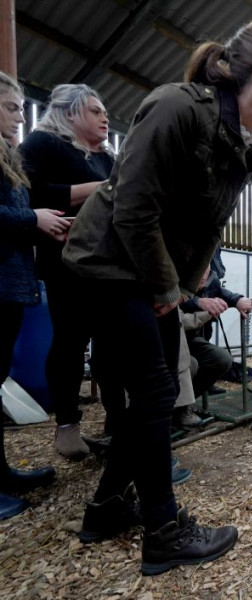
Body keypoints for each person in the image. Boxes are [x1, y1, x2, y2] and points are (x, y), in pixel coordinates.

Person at [62, 17, 252, 574]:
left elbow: (206, 226)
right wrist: (166, 288)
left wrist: (182, 285)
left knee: (153, 396)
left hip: (145, 273)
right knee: (154, 394)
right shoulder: (177, 107)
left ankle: (105, 509)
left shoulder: (245, 142)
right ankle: (164, 532)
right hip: (107, 264)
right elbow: (132, 210)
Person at [19, 84, 115, 460]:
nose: (105, 117)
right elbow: (24, 190)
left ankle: (115, 421)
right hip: (66, 261)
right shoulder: (42, 144)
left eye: (104, 111)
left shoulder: (109, 158)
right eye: (95, 110)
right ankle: (67, 426)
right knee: (71, 341)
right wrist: (96, 189)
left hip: (109, 263)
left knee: (112, 342)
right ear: (70, 114)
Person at [0, 72, 68, 519]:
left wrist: (44, 222)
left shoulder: (9, 157)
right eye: (10, 106)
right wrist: (32, 220)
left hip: (10, 283)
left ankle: (1, 473)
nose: (19, 115)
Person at [179, 264, 252, 424]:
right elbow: (172, 303)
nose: (204, 278)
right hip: (171, 338)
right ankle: (171, 408)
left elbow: (222, 293)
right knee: (189, 364)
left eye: (206, 272)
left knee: (222, 359)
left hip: (192, 338)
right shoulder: (175, 282)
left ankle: (183, 406)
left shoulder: (212, 280)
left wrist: (238, 299)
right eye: (199, 273)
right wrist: (199, 302)